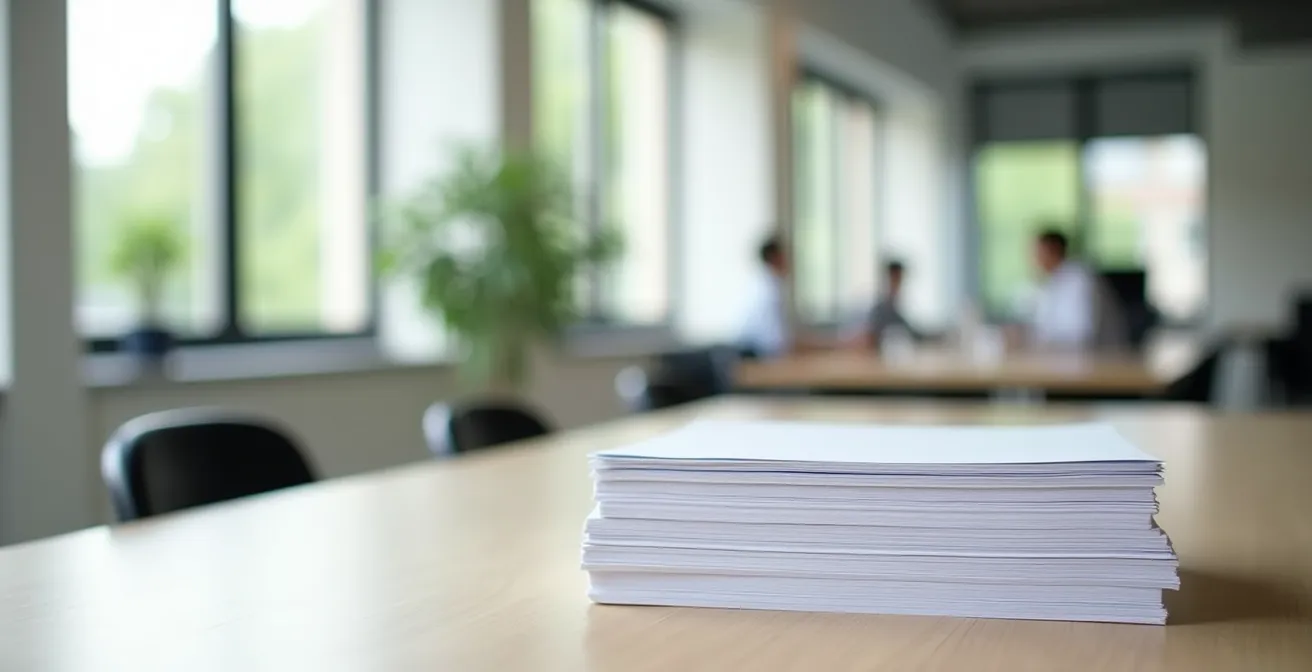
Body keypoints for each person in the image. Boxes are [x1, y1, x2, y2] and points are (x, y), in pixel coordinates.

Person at [1027, 229, 1126, 351]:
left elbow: (1081, 333)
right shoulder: (1054, 282)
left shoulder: (1080, 280)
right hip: (1071, 357)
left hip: (1100, 359)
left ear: (1054, 249)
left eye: (1038, 252)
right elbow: (1047, 327)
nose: (1035, 259)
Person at [739, 234, 790, 358]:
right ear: (775, 258)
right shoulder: (768, 292)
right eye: (785, 256)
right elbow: (776, 343)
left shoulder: (760, 284)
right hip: (753, 357)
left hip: (753, 353)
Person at [865, 260, 922, 348]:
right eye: (894, 279)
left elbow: (911, 332)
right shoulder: (879, 308)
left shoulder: (899, 306)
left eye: (899, 279)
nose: (897, 284)